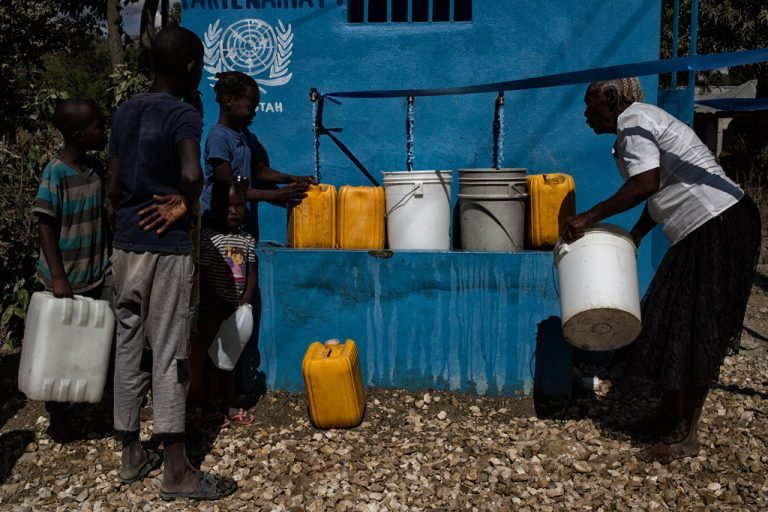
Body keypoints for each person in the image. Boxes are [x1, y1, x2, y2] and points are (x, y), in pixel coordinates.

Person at [563, 77, 761, 464]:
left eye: (592, 104)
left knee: (696, 322)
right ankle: (669, 415)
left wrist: (590, 216)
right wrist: (635, 234)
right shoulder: (638, 125)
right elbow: (660, 188)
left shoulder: (634, 121)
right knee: (673, 318)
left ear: (614, 100)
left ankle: (686, 435)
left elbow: (645, 184)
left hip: (716, 222)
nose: (587, 113)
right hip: (711, 223)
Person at [107, 26, 234, 500]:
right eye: (198, 64)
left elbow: (114, 185)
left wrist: (122, 227)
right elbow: (189, 173)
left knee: (128, 346)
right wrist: (184, 204)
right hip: (165, 249)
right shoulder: (182, 114)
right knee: (171, 351)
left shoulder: (124, 112)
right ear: (188, 67)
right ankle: (178, 470)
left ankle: (130, 454)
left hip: (125, 245)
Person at [33, 99, 110, 441]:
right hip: (63, 279)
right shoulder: (55, 173)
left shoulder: (96, 169)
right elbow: (45, 225)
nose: (102, 131)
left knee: (90, 342)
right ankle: (58, 414)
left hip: (95, 272)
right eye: (97, 126)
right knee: (59, 347)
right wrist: (58, 276)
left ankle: (89, 401)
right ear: (79, 134)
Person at [200, 70, 313, 236]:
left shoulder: (245, 135)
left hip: (241, 228)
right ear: (229, 101)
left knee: (244, 262)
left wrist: (293, 179)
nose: (254, 113)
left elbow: (259, 171)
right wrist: (276, 194)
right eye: (250, 108)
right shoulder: (218, 138)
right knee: (227, 263)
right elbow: (228, 187)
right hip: (220, 229)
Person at [199, 180, 257, 428]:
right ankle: (210, 406)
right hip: (213, 310)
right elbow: (201, 275)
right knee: (212, 360)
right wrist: (217, 302)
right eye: (227, 206)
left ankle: (228, 403)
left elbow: (252, 274)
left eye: (239, 205)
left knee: (230, 360)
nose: (233, 211)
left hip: (236, 310)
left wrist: (244, 301)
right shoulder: (209, 238)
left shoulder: (247, 240)